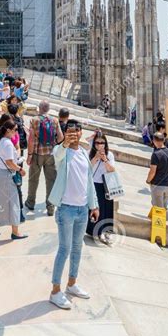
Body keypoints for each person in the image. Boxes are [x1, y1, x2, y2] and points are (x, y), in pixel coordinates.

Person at [48, 120, 99, 309]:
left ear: (81, 133)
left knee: (78, 248)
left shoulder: (84, 154)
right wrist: (64, 144)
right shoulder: (62, 152)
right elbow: (58, 154)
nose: (74, 134)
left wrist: (94, 205)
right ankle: (55, 291)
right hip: (66, 209)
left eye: (76, 131)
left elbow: (89, 181)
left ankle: (72, 283)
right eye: (70, 131)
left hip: (82, 209)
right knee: (64, 249)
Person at [0, 118, 27, 240]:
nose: (16, 132)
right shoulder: (8, 144)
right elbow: (9, 162)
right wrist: (20, 169)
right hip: (7, 176)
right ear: (8, 130)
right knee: (14, 202)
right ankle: (15, 232)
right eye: (15, 130)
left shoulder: (1, 141)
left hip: (0, 174)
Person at [25, 100, 63, 216]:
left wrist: (29, 155)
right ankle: (50, 206)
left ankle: (31, 202)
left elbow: (31, 139)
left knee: (33, 179)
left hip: (37, 154)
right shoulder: (55, 120)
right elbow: (61, 137)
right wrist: (54, 143)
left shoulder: (34, 120)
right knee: (50, 180)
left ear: (39, 108)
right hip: (50, 155)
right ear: (48, 109)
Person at [86, 133, 116, 245]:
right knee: (93, 208)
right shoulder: (90, 153)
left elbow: (112, 170)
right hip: (93, 184)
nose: (100, 145)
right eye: (97, 142)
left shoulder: (110, 155)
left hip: (105, 185)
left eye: (102, 142)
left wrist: (105, 160)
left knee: (106, 209)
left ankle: (104, 232)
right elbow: (87, 168)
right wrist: (95, 158)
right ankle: (92, 231)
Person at [146, 132, 168, 213]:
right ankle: (166, 224)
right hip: (167, 186)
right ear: (164, 140)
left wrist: (148, 180)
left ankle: (161, 226)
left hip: (157, 186)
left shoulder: (156, 154)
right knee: (164, 210)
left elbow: (152, 171)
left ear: (154, 141)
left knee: (158, 212)